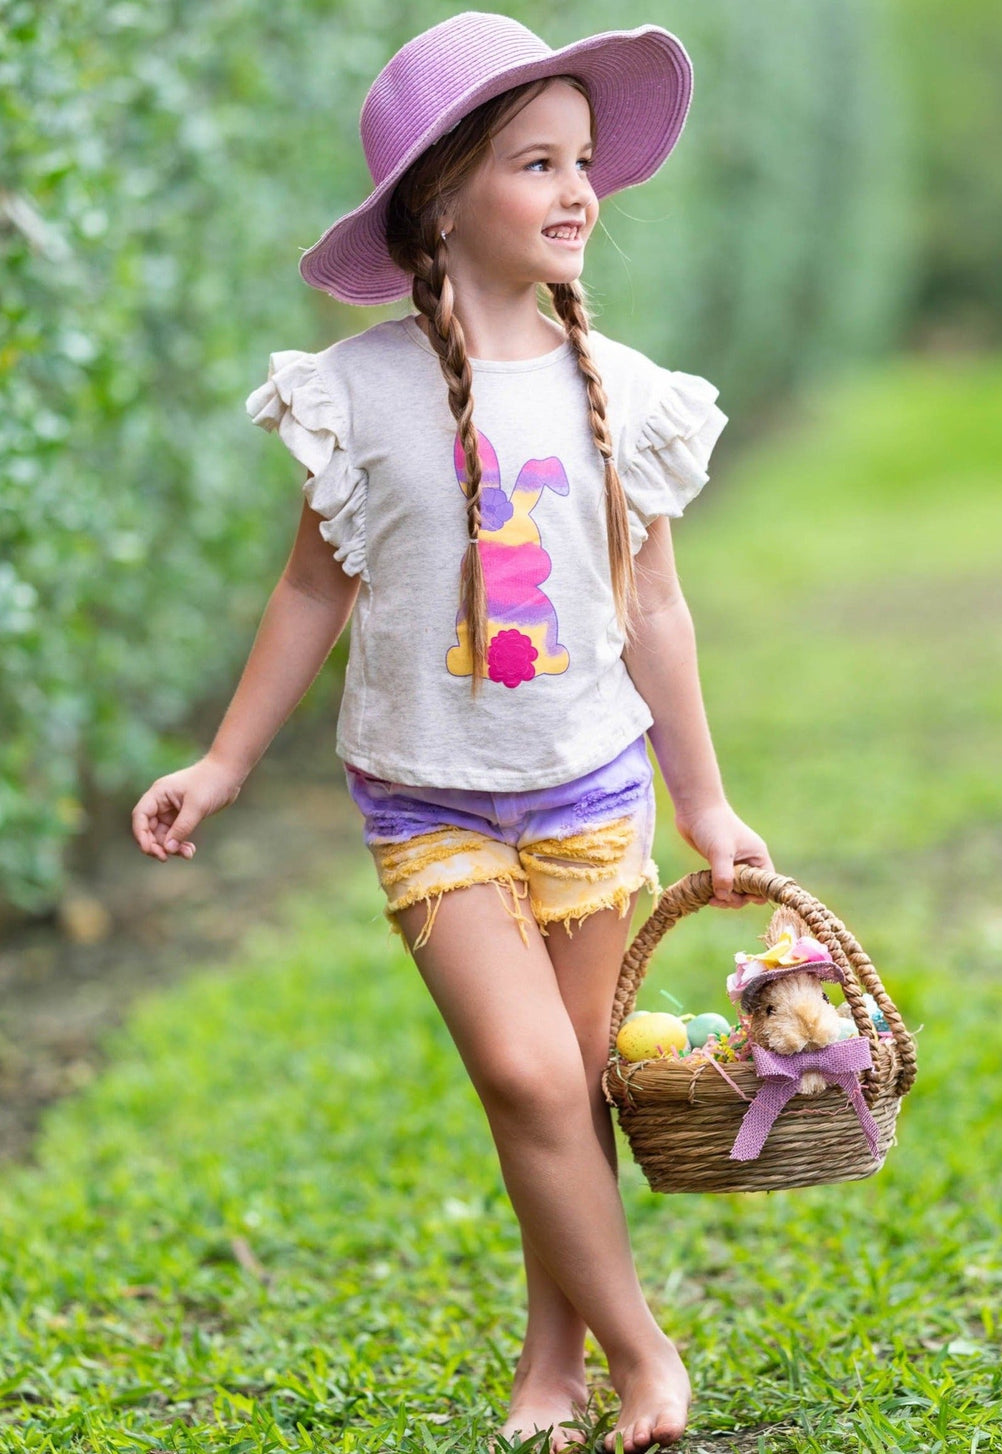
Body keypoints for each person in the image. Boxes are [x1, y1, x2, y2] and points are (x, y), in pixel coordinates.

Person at [131, 12, 773, 1451]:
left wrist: (706, 802)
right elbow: (312, 585)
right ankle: (646, 1350)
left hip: (590, 785)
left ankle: (555, 1370)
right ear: (439, 199)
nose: (575, 191)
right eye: (534, 163)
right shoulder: (354, 393)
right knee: (526, 1072)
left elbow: (655, 610)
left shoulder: (621, 391)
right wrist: (225, 761)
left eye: (583, 161)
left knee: (574, 1092)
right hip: (432, 799)